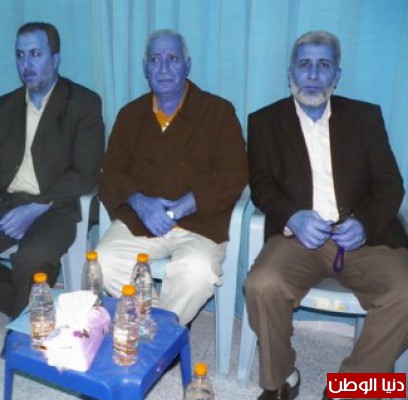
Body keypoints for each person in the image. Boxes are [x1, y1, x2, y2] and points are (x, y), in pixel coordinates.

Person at [244, 30, 408, 400]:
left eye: (323, 65)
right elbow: (261, 185)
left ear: (337, 75)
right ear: (290, 72)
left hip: (365, 239)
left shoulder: (365, 117)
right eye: (304, 65)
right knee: (261, 284)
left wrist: (363, 223)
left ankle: (351, 387)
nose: (313, 75)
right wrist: (293, 217)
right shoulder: (264, 122)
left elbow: (390, 185)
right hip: (298, 239)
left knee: (405, 293)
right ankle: (281, 378)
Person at [0, 22, 104, 319]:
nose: (26, 64)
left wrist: (35, 208)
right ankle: (27, 309)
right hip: (7, 201)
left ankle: (26, 319)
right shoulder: (4, 106)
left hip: (57, 206)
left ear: (56, 58)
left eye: (36, 54)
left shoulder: (83, 103)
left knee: (30, 258)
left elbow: (85, 172)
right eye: (20, 55)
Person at [96, 29, 248, 327]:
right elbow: (110, 172)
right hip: (141, 222)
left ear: (187, 65)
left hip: (199, 223)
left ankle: (156, 332)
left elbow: (234, 173)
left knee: (197, 271)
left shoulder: (218, 112)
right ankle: (159, 329)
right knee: (103, 261)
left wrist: (182, 207)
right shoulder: (130, 115)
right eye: (155, 59)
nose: (163, 68)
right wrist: (140, 203)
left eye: (173, 59)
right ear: (145, 68)